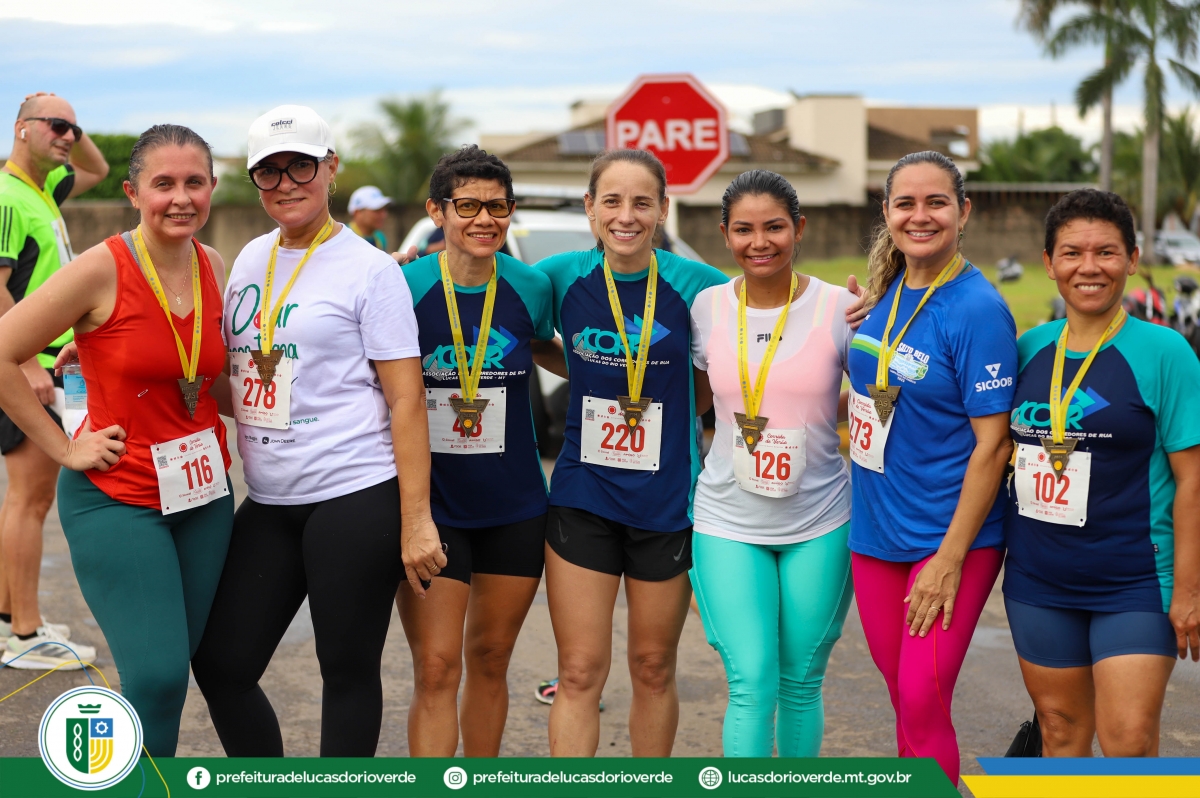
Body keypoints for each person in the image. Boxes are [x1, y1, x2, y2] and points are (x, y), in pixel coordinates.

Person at [190, 105, 440, 757]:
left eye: (300, 165)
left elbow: (407, 400)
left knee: (346, 669)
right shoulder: (250, 258)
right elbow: (236, 381)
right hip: (271, 498)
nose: (285, 183)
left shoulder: (371, 269)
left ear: (331, 168)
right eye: (268, 171)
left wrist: (416, 519)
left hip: (354, 493)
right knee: (221, 663)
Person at [0, 125, 233, 755]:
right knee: (156, 677)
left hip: (205, 497)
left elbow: (207, 375)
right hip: (118, 497)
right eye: (163, 184)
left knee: (170, 673)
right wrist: (63, 447)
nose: (180, 198)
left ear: (212, 187)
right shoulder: (101, 267)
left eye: (194, 182)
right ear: (133, 193)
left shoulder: (213, 265)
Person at [537, 149, 727, 756]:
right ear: (589, 208)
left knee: (652, 667)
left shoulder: (700, 285)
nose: (626, 216)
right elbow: (517, 325)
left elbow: (736, 355)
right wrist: (585, 372)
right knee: (578, 672)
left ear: (663, 209)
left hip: (667, 504)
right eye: (612, 201)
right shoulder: (558, 276)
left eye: (642, 202)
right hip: (583, 499)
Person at [1004, 188, 1200, 756]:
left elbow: (1192, 480)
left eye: (1106, 252)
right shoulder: (1026, 349)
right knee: (1060, 733)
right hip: (1038, 579)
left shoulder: (1166, 352)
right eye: (1072, 253)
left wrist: (1189, 589)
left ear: (1132, 260)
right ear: (1049, 263)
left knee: (1129, 742)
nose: (1089, 267)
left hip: (1135, 581)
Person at [845, 151, 1015, 784]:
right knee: (905, 699)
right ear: (887, 213)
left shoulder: (977, 309)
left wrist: (948, 559)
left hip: (948, 539)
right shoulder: (887, 294)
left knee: (921, 698)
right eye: (905, 203)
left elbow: (993, 446)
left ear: (963, 212)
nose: (920, 216)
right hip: (876, 533)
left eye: (936, 202)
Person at [398, 145, 559, 756]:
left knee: (491, 658)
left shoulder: (530, 286)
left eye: (498, 206)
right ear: (437, 211)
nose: (485, 219)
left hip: (515, 506)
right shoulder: (404, 285)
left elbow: (544, 348)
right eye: (467, 206)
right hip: (433, 508)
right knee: (437, 667)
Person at [688, 170, 855, 757]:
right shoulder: (706, 308)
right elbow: (697, 401)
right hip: (728, 521)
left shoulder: (841, 307)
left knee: (801, 683)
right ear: (725, 235)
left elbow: (883, 393)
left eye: (775, 227)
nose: (759, 242)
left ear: (799, 228)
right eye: (744, 230)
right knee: (751, 681)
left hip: (821, 521)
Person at [0, 92, 109, 663]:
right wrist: (20, 363)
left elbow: (99, 169)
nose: (69, 137)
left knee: (27, 497)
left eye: (75, 128)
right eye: (57, 126)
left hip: (45, 364)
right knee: (31, 497)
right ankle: (25, 635)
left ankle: (8, 619)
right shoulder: (6, 195)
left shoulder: (43, 189)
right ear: (21, 128)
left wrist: (68, 123)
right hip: (28, 365)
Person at [348, 185, 391, 250]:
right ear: (357, 213)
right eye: (377, 210)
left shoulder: (380, 238)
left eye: (384, 210)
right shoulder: (342, 236)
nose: (383, 215)